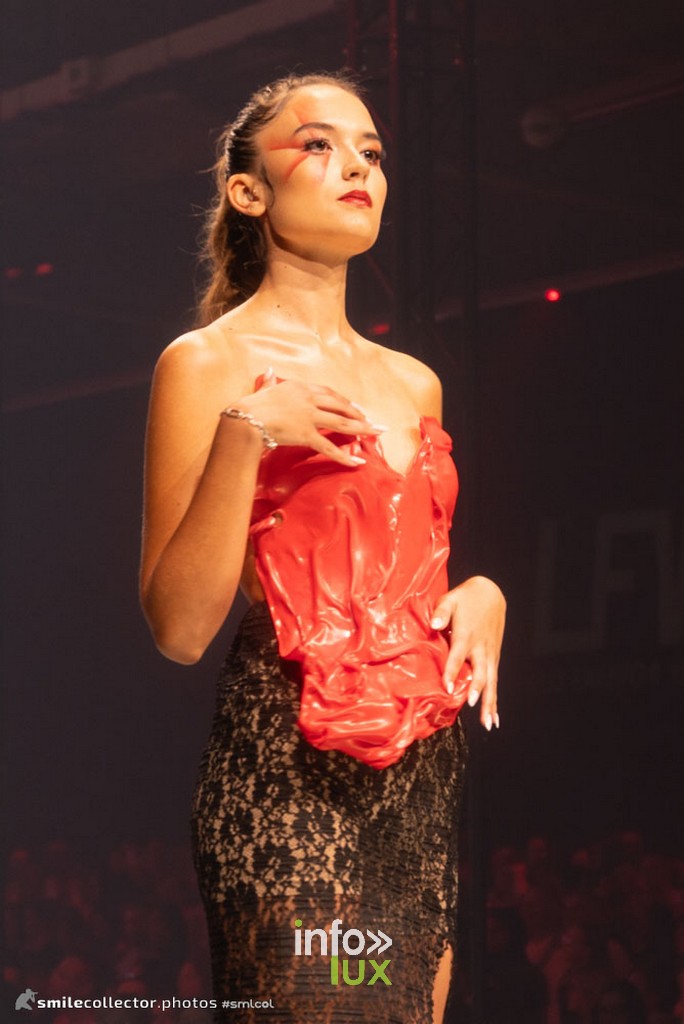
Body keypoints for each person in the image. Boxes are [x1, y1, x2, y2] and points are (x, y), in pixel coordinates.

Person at [139, 71, 506, 1024]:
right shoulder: (207, 363)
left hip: (418, 769)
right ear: (248, 190)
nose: (357, 168)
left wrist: (481, 594)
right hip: (290, 765)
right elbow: (179, 628)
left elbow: (405, 573)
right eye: (318, 145)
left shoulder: (414, 383)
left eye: (371, 153)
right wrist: (248, 432)